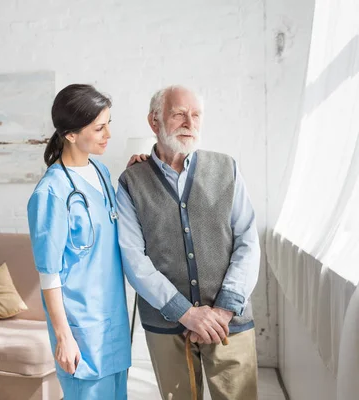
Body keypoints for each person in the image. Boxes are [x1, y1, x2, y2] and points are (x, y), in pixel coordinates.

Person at [117, 85, 261, 400]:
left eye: (195, 115)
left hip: (229, 322)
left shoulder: (227, 168)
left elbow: (248, 242)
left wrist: (222, 311)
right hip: (166, 326)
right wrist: (186, 312)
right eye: (179, 114)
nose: (189, 122)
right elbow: (134, 260)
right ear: (154, 122)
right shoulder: (131, 181)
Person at [27, 84, 135, 399]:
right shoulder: (51, 192)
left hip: (113, 322)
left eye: (108, 124)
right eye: (99, 127)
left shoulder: (101, 172)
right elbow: (49, 275)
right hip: (81, 330)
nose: (108, 134)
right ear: (71, 134)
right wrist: (64, 337)